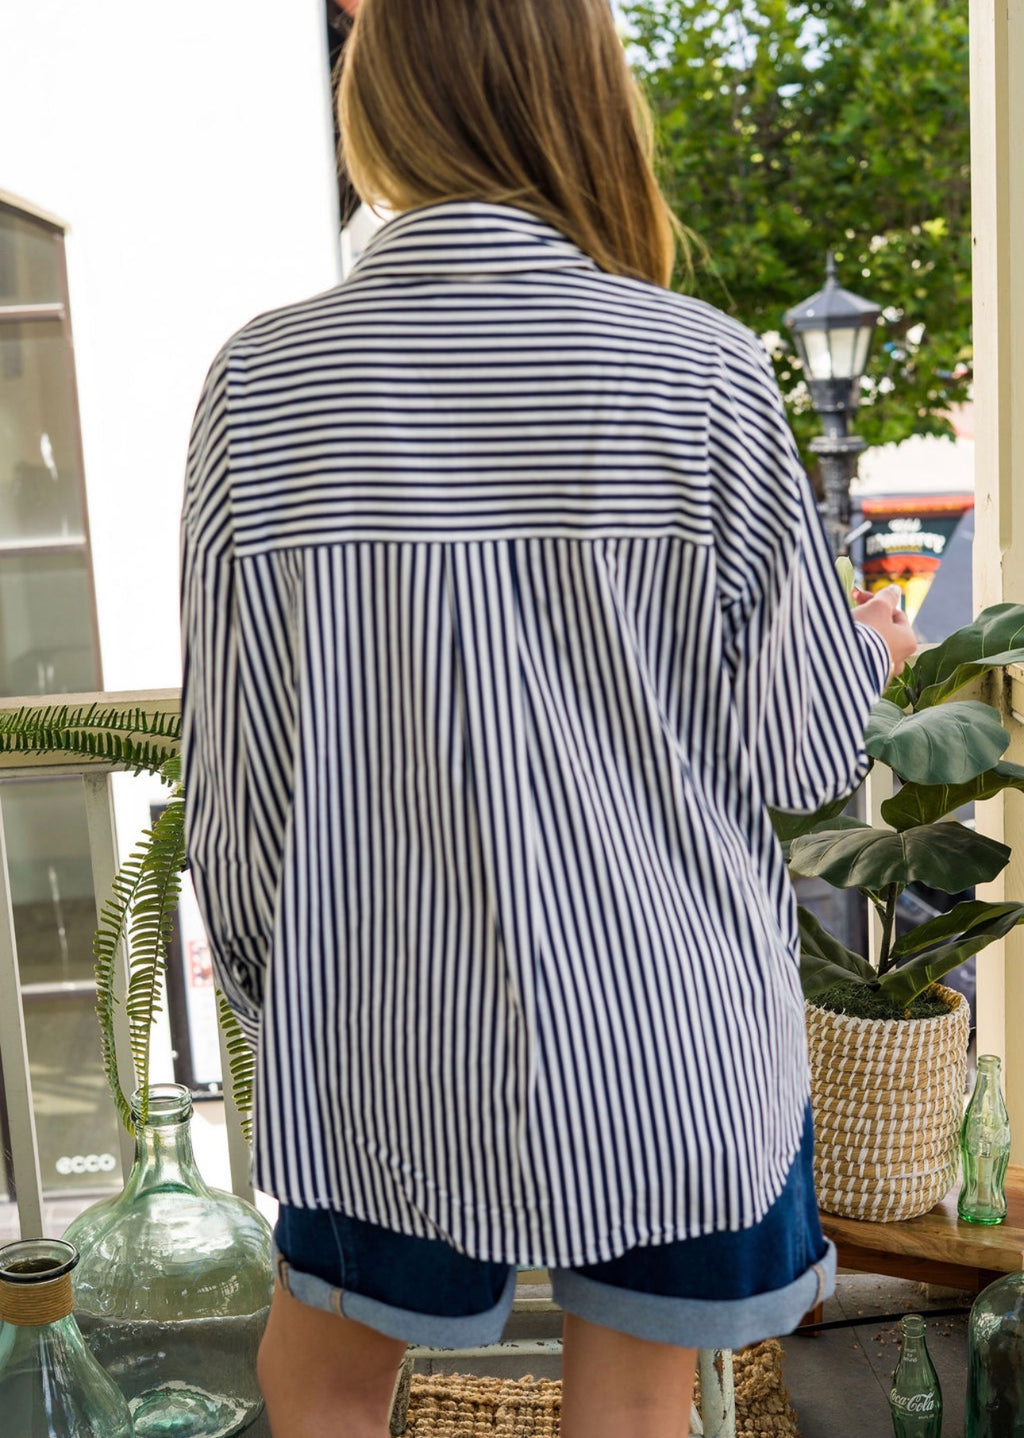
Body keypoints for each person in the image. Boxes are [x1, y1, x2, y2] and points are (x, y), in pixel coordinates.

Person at [179, 2, 916, 1435]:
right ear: (586, 102)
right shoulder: (701, 370)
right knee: (636, 1402)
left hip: (382, 1024)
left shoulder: (263, 385)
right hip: (675, 1036)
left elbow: (241, 783)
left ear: (382, 104)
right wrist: (865, 650)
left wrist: (298, 1004)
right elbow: (803, 754)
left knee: (319, 1378)